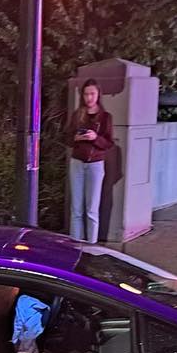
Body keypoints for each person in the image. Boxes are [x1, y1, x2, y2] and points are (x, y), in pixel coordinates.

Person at [65, 79, 114, 243]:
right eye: (86, 94)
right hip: (77, 163)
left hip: (95, 164)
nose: (89, 98)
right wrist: (76, 138)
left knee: (92, 209)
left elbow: (108, 143)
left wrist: (95, 138)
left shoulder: (105, 117)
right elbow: (67, 138)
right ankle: (75, 245)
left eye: (92, 94)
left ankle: (92, 246)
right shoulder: (78, 114)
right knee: (76, 209)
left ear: (98, 94)